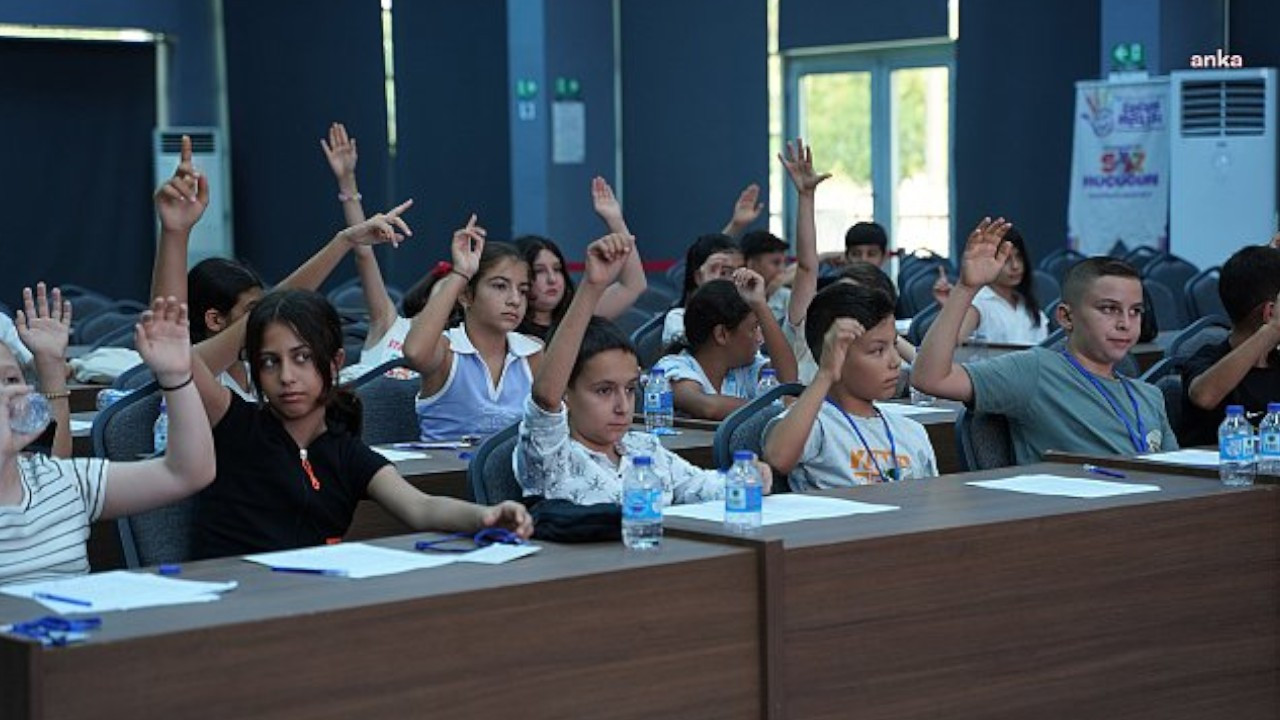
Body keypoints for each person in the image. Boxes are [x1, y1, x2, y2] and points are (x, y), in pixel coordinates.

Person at [188, 287, 532, 559]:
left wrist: (485, 516)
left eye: (302, 358)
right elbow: (180, 359)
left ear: (335, 362)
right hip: (230, 598)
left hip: (303, 601)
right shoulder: (236, 423)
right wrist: (176, 233)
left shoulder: (344, 451)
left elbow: (421, 507)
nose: (286, 376)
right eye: (269, 362)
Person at [516, 233, 771, 504]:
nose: (622, 406)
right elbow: (545, 396)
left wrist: (749, 476)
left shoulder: (644, 447)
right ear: (566, 392)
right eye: (604, 391)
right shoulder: (550, 455)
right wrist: (592, 287)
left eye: (628, 389)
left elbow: (701, 486)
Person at [911, 218, 1177, 465]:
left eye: (1136, 311)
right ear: (1065, 317)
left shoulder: (1150, 397)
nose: (1125, 323)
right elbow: (930, 378)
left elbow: (1176, 479)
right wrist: (967, 288)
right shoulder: (1035, 372)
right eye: (1109, 309)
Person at [1, 297, 216, 584]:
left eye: (12, 380)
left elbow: (188, 472)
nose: (10, 395)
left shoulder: (63, 479)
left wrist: (176, 377)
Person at [763, 283, 937, 489]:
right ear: (836, 357)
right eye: (877, 351)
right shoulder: (816, 424)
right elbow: (778, 459)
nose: (895, 361)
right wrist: (826, 374)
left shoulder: (911, 431)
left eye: (894, 345)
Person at [401, 216, 544, 441]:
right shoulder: (447, 351)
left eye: (523, 290)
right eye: (500, 286)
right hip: (444, 475)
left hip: (510, 475)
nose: (515, 300)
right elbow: (414, 352)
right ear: (466, 296)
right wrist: (461, 273)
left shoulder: (532, 352)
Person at [653, 269, 798, 420]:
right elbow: (708, 407)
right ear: (721, 334)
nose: (760, 339)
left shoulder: (746, 369)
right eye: (754, 328)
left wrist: (760, 305)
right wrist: (774, 409)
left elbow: (788, 380)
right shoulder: (673, 366)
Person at [517, 177, 648, 340]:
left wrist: (615, 221)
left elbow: (633, 285)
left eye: (557, 269)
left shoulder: (579, 313)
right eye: (539, 271)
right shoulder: (508, 330)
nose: (552, 279)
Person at [1179, 244, 1280, 446]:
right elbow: (1204, 396)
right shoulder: (1206, 358)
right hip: (1222, 474)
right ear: (1270, 312)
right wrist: (1274, 329)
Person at [933, 225, 1048, 345]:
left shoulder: (1026, 303)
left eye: (1019, 257)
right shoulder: (978, 303)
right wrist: (951, 309)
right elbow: (952, 343)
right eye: (1006, 259)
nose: (1015, 266)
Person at [663, 234, 744, 346]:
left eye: (739, 272)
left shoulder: (744, 320)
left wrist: (759, 304)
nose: (734, 281)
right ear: (699, 277)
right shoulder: (677, 319)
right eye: (724, 273)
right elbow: (705, 353)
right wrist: (712, 290)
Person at [740, 230, 791, 324]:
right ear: (751, 264)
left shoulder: (787, 297)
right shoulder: (732, 296)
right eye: (776, 263)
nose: (782, 269)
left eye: (785, 263)